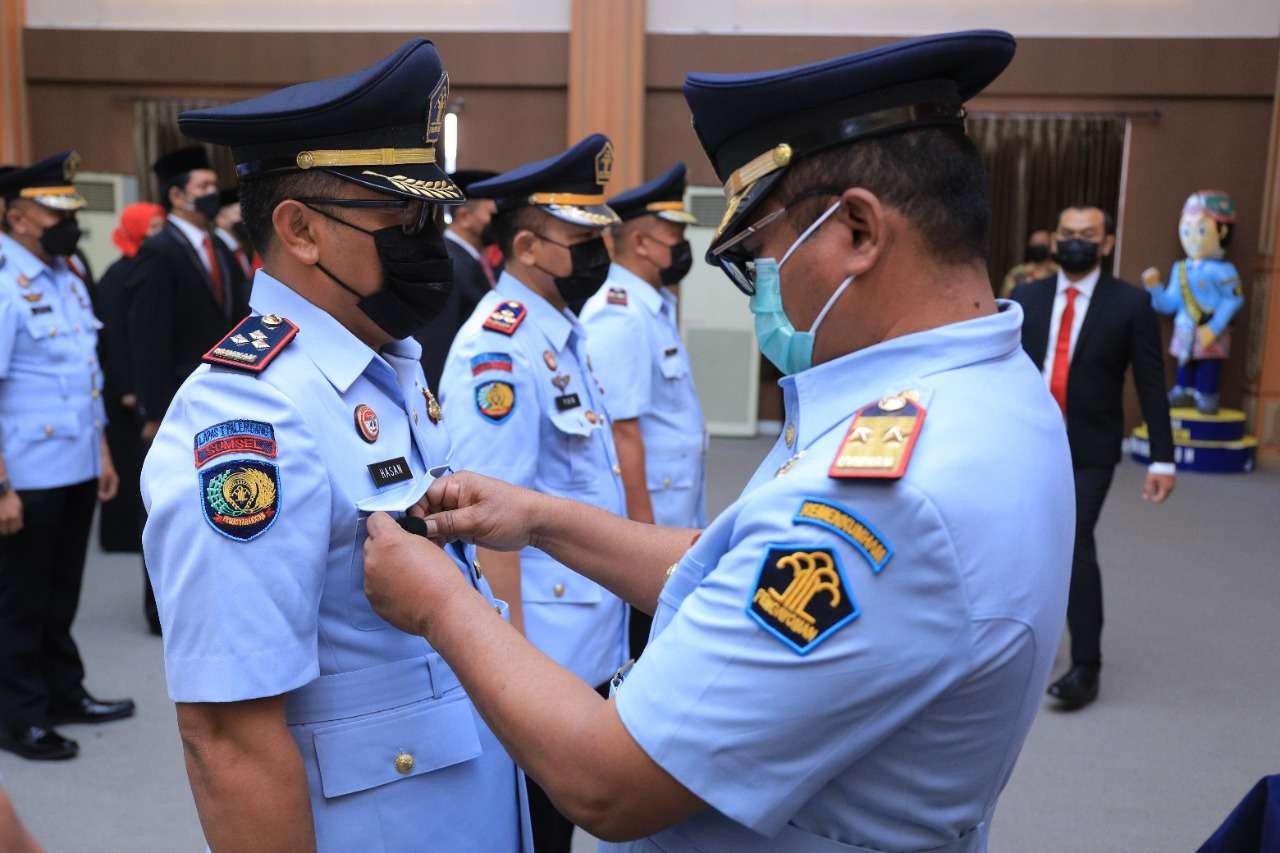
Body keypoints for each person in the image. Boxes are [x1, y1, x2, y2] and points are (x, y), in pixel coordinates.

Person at [364, 30, 1077, 852]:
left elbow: (608, 779)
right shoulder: (989, 392)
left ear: (856, 231)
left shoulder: (890, 496)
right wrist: (544, 518)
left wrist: (440, 602)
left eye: (760, 259)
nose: (757, 294)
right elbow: (729, 567)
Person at [140, 39, 531, 852]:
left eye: (436, 215)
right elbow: (228, 738)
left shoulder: (385, 364)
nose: (431, 239)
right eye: (406, 217)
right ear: (301, 230)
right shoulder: (251, 415)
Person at [438, 134, 628, 853]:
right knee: (534, 834)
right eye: (580, 240)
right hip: (539, 651)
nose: (595, 255)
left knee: (558, 826)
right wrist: (509, 669)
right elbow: (490, 522)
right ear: (526, 246)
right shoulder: (501, 345)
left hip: (580, 637)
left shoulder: (560, 333)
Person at [1011, 204, 1176, 709]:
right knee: (1020, 543)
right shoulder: (1025, 298)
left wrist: (1163, 459)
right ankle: (1014, 648)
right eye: (1067, 233)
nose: (1075, 241)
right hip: (1026, 445)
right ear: (1055, 239)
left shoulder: (1130, 304)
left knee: (1074, 541)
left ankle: (1086, 666)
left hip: (1089, 449)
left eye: (1087, 235)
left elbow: (1150, 382)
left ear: (1105, 244)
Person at [0, 151, 134, 762]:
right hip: (25, 472)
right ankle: (20, 715)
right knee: (21, 599)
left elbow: (86, 375)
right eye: (54, 210)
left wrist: (102, 450)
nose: (67, 222)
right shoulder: (4, 281)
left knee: (61, 592)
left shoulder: (67, 272)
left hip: (76, 462)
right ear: (16, 216)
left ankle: (63, 692)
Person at [580, 162, 706, 656]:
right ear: (641, 244)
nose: (681, 247)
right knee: (644, 646)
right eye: (673, 236)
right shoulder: (620, 315)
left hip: (674, 509)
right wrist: (642, 538)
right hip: (649, 520)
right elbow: (622, 431)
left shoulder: (653, 304)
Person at [127, 146, 250, 632]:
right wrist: (152, 411)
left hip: (218, 395)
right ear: (176, 196)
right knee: (167, 498)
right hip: (174, 397)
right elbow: (147, 337)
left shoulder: (218, 245)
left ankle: (207, 590)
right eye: (200, 188)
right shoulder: (158, 252)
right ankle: (159, 604)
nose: (209, 195)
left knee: (209, 492)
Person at [95, 202, 164, 553]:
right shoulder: (116, 275)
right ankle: (119, 536)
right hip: (124, 390)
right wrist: (127, 388)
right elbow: (117, 338)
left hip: (140, 384)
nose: (158, 233)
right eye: (151, 227)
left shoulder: (145, 265)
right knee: (124, 462)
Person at [415, 168, 497, 390]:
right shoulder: (447, 264)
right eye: (492, 214)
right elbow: (437, 345)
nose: (498, 222)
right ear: (464, 217)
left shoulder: (471, 261)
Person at [1000, 229, 1057, 297]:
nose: (1038, 246)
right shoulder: (1017, 273)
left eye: (1042, 242)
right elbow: (1006, 298)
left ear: (1050, 246)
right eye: (1034, 243)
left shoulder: (1057, 272)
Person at [214, 186, 254, 279]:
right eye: (239, 215)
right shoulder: (216, 249)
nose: (243, 220)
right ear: (221, 219)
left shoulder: (241, 247)